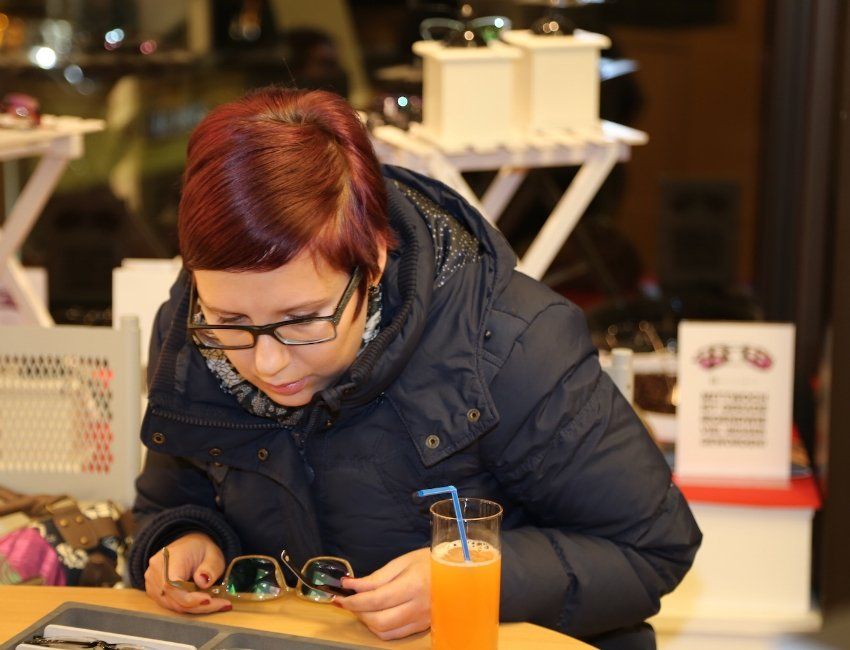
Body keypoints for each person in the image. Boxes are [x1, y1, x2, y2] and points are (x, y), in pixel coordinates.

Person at [128, 86, 701, 649]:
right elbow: (172, 497)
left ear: (373, 259)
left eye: (302, 319)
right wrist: (186, 537)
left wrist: (471, 581)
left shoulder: (510, 346)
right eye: (230, 320)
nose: (268, 362)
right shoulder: (191, 341)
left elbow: (649, 548)